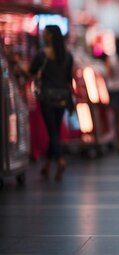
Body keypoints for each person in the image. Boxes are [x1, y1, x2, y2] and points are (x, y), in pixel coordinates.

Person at [27, 25, 73, 181]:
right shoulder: (67, 56)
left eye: (45, 33)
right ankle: (47, 165)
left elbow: (31, 72)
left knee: (53, 132)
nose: (42, 35)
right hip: (62, 97)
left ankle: (60, 160)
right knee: (55, 130)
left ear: (51, 36)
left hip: (47, 97)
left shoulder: (42, 55)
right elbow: (68, 80)